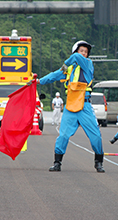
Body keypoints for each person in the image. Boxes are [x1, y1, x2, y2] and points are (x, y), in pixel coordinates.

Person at [37, 40, 105, 173]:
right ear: (75, 51)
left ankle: (99, 162)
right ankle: (57, 163)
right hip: (70, 106)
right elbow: (53, 76)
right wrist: (38, 81)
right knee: (63, 136)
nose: (84, 54)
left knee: (95, 136)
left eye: (86, 52)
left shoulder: (88, 64)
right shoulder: (68, 70)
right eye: (81, 51)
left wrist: (66, 63)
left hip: (85, 106)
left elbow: (75, 58)